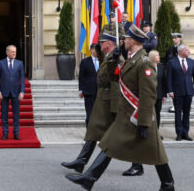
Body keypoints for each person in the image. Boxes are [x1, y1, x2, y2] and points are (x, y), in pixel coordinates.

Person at [66, 24, 175, 191]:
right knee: (109, 144)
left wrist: (144, 122)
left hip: (138, 115)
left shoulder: (144, 63)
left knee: (156, 153)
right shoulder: (131, 59)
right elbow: (113, 78)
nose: (123, 41)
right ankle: (89, 178)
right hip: (127, 114)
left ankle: (168, 184)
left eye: (125, 39)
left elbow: (148, 96)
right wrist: (112, 59)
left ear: (132, 41)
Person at [61, 31, 122, 174]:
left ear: (108, 44)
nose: (99, 45)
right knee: (93, 130)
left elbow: (116, 83)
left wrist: (114, 106)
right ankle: (81, 162)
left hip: (110, 102)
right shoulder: (108, 56)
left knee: (122, 137)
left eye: (101, 42)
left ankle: (137, 164)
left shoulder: (116, 57)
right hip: (102, 99)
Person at [0, 45, 25, 140]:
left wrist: (22, 91)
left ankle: (16, 133)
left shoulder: (20, 63)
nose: (14, 53)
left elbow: (22, 79)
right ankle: (5, 132)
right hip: (4, 92)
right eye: (12, 51)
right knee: (4, 114)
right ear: (7, 52)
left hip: (16, 92)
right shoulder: (0, 63)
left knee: (16, 114)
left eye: (15, 51)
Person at [166, 45, 194, 141]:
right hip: (177, 92)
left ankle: (185, 133)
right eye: (187, 50)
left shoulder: (191, 62)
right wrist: (170, 90)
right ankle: (179, 133)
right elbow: (168, 78)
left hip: (189, 92)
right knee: (178, 114)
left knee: (186, 113)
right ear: (181, 51)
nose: (189, 52)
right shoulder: (172, 62)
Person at [78, 44, 99, 127]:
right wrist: (81, 90)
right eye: (95, 49)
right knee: (89, 113)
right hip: (89, 91)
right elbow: (81, 77)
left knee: (98, 113)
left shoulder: (103, 61)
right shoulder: (85, 62)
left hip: (100, 91)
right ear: (91, 50)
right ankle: (89, 132)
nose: (97, 51)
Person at [148, 50, 167, 135]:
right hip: (149, 94)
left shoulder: (160, 67)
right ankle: (149, 131)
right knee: (149, 113)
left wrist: (164, 94)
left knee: (157, 113)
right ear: (152, 57)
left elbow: (164, 81)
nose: (159, 57)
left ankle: (156, 132)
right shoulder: (147, 66)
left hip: (159, 94)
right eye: (157, 55)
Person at [165, 33, 183, 113]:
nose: (174, 39)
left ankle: (179, 105)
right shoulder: (171, 48)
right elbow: (166, 58)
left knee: (179, 89)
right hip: (172, 71)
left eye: (176, 38)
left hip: (179, 72)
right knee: (173, 89)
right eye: (173, 38)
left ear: (180, 39)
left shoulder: (182, 48)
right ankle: (175, 105)